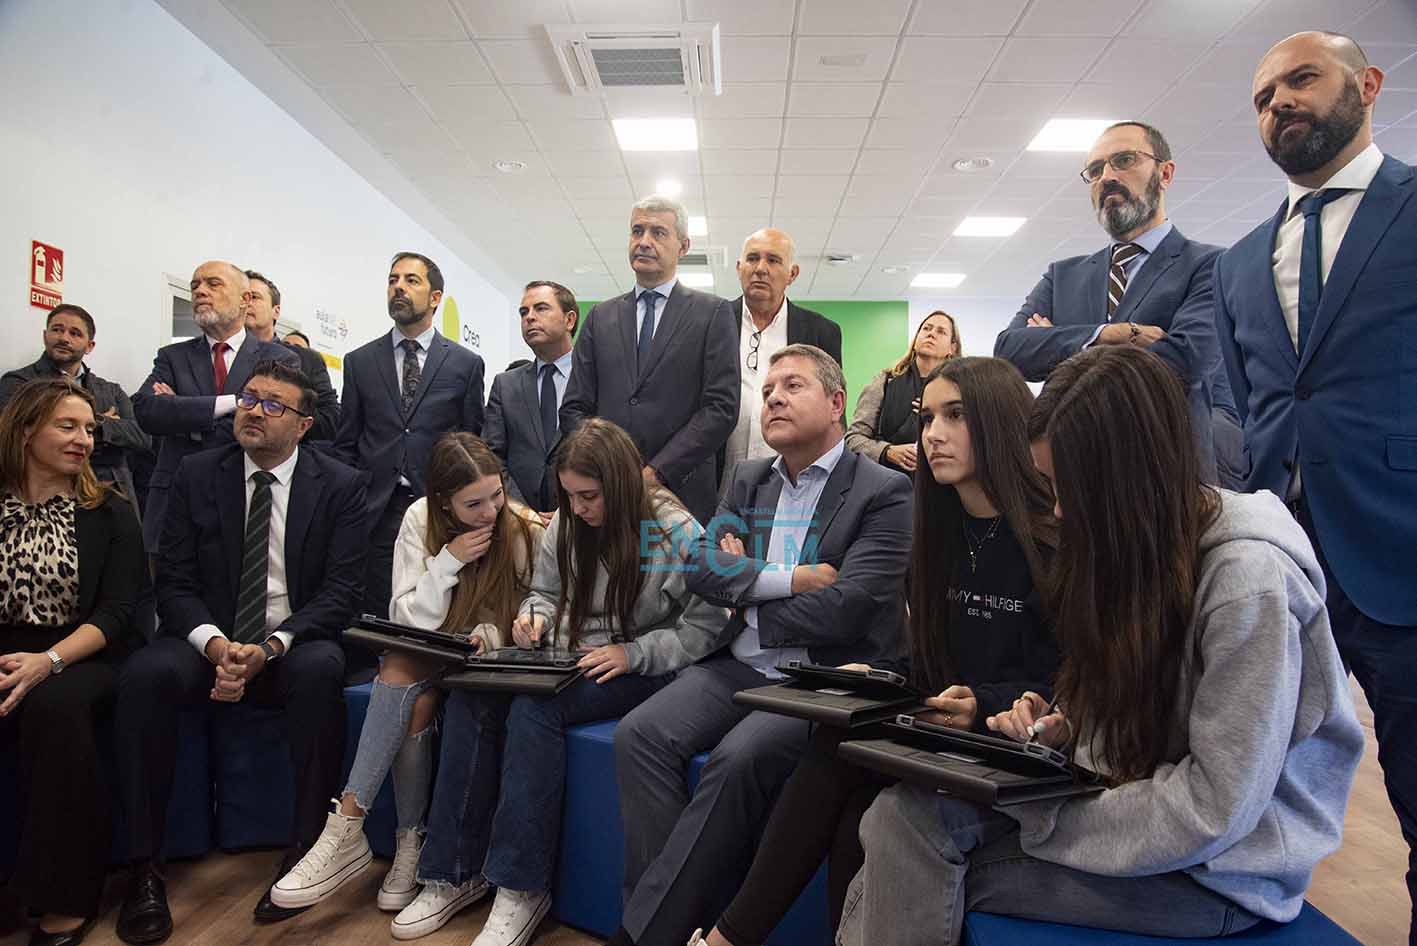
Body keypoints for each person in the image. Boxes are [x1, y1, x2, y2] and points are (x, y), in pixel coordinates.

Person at [836, 345, 1364, 946]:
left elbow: (1214, 809)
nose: (1059, 509)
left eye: (1068, 486)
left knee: (910, 862)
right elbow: (1144, 719)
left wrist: (1045, 812)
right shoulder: (1143, 549)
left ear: (1126, 476)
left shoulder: (1249, 584)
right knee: (898, 816)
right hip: (1130, 807)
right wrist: (1068, 727)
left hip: (1219, 874)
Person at [688, 356, 1060, 946]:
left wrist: (981, 704)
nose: (933, 434)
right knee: (840, 759)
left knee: (852, 801)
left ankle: (726, 940)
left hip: (1009, 743)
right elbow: (931, 659)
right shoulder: (937, 529)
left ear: (999, 420)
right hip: (941, 726)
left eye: (955, 416)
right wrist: (878, 674)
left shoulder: (1051, 539)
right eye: (927, 418)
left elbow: (1065, 680)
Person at [1214, 31, 1417, 944]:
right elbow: (1253, 400)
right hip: (1279, 562)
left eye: (1300, 80)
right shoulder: (1238, 260)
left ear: (1365, 85)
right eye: (1262, 97)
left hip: (1400, 550)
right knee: (1262, 778)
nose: (1278, 104)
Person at [610, 345, 913, 946]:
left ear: (836, 403)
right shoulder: (748, 478)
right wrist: (787, 579)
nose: (773, 397)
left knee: (738, 760)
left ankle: (644, 935)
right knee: (638, 736)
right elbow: (700, 568)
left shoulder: (885, 490)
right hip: (740, 666)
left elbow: (848, 607)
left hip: (822, 680)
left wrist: (744, 595)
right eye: (769, 388)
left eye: (792, 386)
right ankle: (670, 915)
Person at [389, 418, 731, 946]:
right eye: (569, 495)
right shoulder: (568, 522)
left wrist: (635, 653)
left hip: (647, 668)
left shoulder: (674, 530)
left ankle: (521, 888)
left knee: (536, 710)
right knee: (474, 692)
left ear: (621, 485)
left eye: (588, 496)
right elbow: (544, 592)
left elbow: (708, 625)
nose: (576, 508)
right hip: (572, 656)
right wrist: (534, 618)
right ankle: (453, 872)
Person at [114, 361, 368, 944]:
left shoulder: (341, 484)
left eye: (274, 405)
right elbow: (173, 580)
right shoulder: (199, 473)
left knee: (322, 669)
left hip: (291, 640)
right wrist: (216, 644)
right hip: (209, 638)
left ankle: (305, 852)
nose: (254, 411)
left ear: (303, 425)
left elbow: (342, 592)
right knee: (145, 674)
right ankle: (143, 868)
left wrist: (272, 645)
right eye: (250, 398)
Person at [270, 433, 545, 917]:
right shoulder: (420, 518)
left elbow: (535, 609)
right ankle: (403, 841)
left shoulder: (522, 527)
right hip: (432, 650)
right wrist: (449, 561)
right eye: (474, 503)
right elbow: (409, 620)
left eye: (496, 495)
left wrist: (498, 632)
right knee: (408, 685)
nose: (490, 512)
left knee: (399, 668)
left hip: (490, 662)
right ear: (443, 502)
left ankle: (347, 830)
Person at [992, 121, 1232, 482]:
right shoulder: (1062, 276)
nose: (1106, 177)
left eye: (1124, 160)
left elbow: (1186, 362)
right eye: (1095, 170)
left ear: (1165, 173)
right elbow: (1009, 351)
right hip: (1076, 476)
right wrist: (1109, 334)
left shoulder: (1210, 265)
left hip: (1167, 477)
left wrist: (1059, 344)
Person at [0, 380, 144, 946]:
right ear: (25, 430)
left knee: (54, 708)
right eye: (67, 426)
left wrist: (47, 661)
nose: (84, 439)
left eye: (89, 428)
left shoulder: (110, 511)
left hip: (81, 652)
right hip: (7, 649)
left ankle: (64, 898)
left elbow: (118, 612)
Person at [559, 195, 738, 525]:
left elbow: (720, 408)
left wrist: (656, 472)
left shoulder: (713, 313)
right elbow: (574, 407)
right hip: (605, 497)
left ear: (683, 246)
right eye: (637, 231)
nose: (643, 241)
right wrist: (604, 469)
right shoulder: (600, 317)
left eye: (658, 232)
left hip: (680, 495)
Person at [335, 252, 485, 624]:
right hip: (375, 510)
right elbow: (346, 441)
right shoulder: (360, 362)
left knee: (435, 608)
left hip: (438, 508)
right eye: (393, 280)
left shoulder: (465, 364)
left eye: (411, 280)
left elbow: (472, 443)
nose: (398, 287)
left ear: (435, 298)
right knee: (376, 612)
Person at [131, 261, 297, 549]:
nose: (200, 291)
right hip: (175, 501)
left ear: (245, 299)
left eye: (213, 284)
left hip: (244, 496)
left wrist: (181, 411)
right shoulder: (172, 356)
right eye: (195, 285)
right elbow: (147, 411)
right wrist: (234, 403)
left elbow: (270, 426)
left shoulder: (279, 359)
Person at [0, 304, 152, 520]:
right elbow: (13, 434)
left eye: (75, 333)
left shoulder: (110, 390)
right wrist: (105, 425)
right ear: (45, 336)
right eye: (57, 329)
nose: (64, 338)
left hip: (110, 492)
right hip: (39, 497)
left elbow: (142, 437)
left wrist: (94, 425)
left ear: (90, 346)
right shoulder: (19, 382)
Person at [720, 228, 841, 492]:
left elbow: (832, 414)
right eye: (752, 259)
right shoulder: (711, 323)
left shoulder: (821, 332)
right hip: (718, 481)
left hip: (797, 482)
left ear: (792, 274)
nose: (760, 269)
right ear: (739, 268)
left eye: (773, 260)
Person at [483, 281, 578, 517]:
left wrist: (574, 507)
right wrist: (522, 512)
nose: (529, 317)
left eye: (541, 308)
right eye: (523, 312)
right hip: (518, 521)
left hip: (582, 516)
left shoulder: (595, 377)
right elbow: (491, 456)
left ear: (569, 320)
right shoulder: (505, 385)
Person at [847, 310, 959, 476]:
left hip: (943, 481)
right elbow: (853, 439)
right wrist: (887, 451)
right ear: (916, 340)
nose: (931, 334)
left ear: (952, 348)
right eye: (926, 328)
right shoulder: (885, 381)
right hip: (888, 481)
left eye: (941, 331)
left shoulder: (959, 389)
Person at [243, 270, 341, 441]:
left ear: (276, 311)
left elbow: (330, 420)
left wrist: (282, 417)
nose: (247, 303)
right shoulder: (216, 354)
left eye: (255, 297)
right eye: (242, 298)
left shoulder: (307, 359)